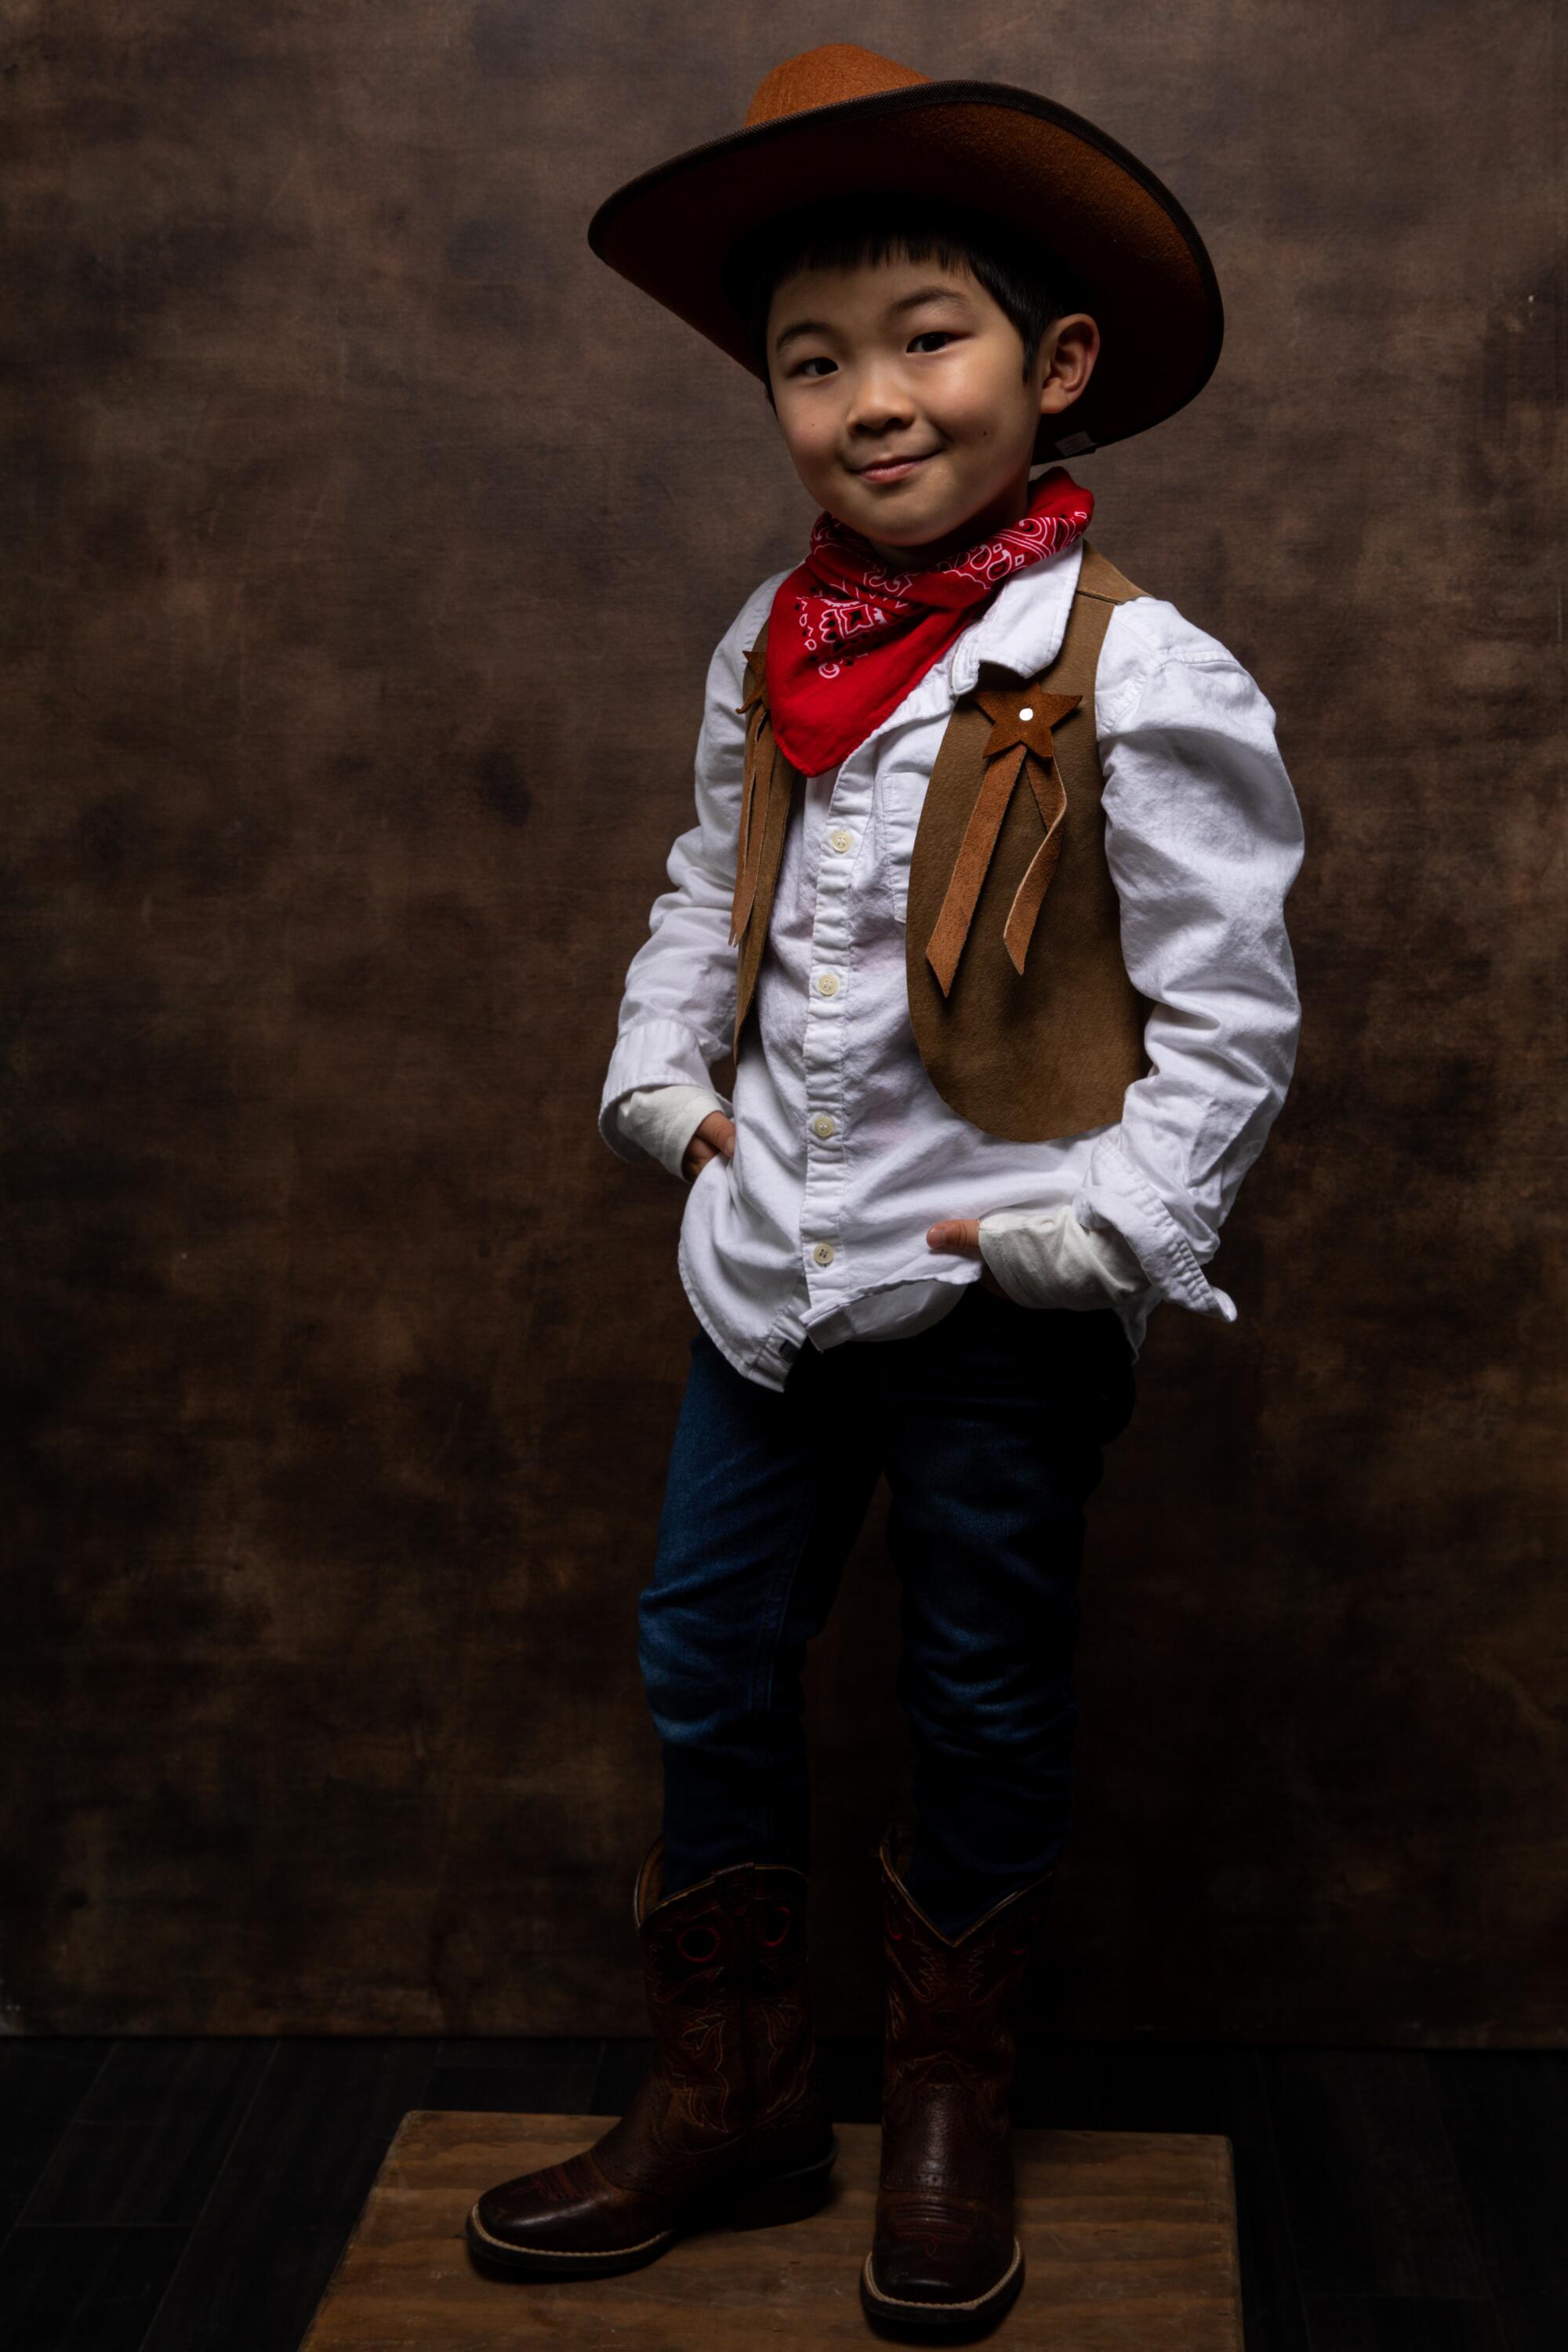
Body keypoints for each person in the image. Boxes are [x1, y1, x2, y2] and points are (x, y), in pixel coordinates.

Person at [467, 42, 1304, 2336]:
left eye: (924, 339)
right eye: (810, 362)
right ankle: (728, 2087)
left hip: (994, 1294)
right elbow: (696, 888)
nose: (870, 401)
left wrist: (1098, 1230)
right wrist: (663, 1076)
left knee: (979, 1686)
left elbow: (1232, 1024)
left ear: (1050, 367)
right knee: (706, 1652)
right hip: (767, 1273)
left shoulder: (1144, 670)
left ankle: (949, 2107)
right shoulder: (772, 643)